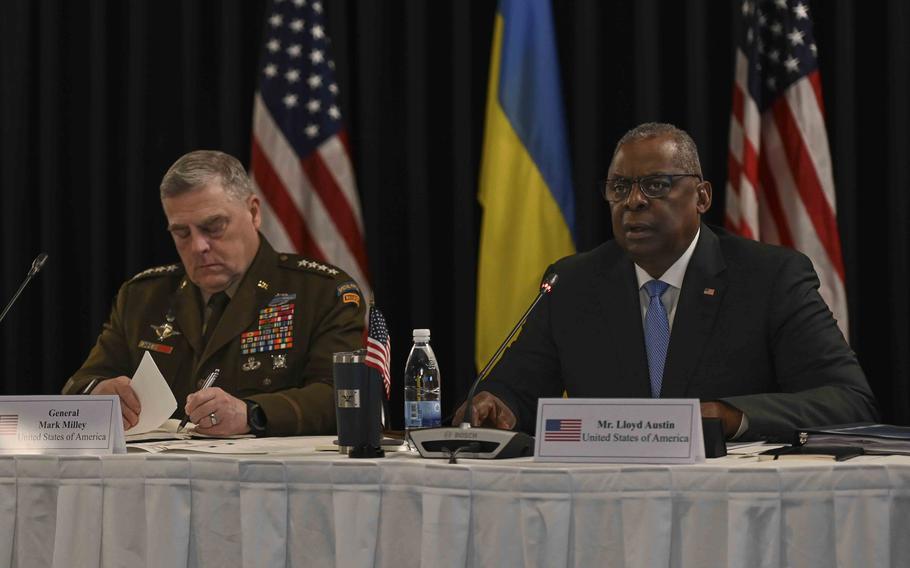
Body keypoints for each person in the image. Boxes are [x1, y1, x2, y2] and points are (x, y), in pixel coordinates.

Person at [454, 122, 878, 442]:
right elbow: (516, 386)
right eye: (619, 188)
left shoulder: (769, 278)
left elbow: (848, 400)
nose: (633, 201)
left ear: (702, 197)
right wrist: (497, 403)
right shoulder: (572, 283)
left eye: (656, 185)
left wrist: (730, 415)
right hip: (605, 504)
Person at [63, 150, 365, 436]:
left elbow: (343, 395)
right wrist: (98, 392)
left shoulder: (320, 292)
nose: (198, 246)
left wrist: (251, 414)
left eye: (214, 226)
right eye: (182, 233)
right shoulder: (143, 297)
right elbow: (79, 383)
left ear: (254, 212)